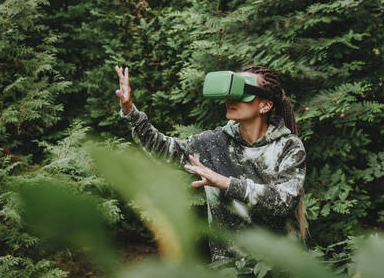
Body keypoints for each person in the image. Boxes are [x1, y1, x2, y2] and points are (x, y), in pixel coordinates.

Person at [115, 64, 307, 260]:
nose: (230, 100)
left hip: (281, 264)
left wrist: (225, 183)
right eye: (230, 92)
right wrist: (130, 111)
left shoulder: (288, 146)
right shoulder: (212, 143)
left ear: (265, 105)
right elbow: (163, 149)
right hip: (229, 268)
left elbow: (285, 201)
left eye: (241, 93)